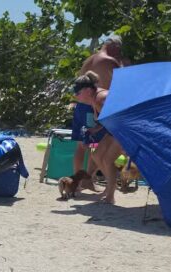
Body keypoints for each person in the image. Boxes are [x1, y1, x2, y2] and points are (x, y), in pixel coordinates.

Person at [71, 35, 128, 185]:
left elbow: (80, 82)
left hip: (81, 105)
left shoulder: (90, 59)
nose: (119, 53)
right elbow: (124, 83)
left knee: (81, 145)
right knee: (94, 144)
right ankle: (87, 179)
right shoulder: (111, 61)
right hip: (94, 105)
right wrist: (123, 63)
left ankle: (78, 180)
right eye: (119, 50)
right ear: (114, 47)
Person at [72, 71, 126, 204]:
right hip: (114, 129)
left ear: (88, 90)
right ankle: (109, 186)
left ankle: (110, 195)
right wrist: (95, 130)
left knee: (107, 160)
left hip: (124, 131)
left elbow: (120, 118)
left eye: (78, 93)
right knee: (96, 153)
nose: (76, 96)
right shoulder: (94, 99)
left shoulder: (101, 98)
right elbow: (107, 120)